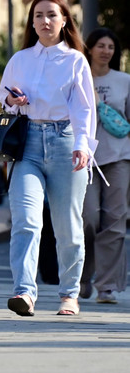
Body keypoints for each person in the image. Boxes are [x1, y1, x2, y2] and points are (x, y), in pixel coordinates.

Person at [0, 0, 97, 317]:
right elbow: (4, 100)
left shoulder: (75, 60)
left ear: (64, 19)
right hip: (26, 142)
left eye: (51, 15)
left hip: (65, 143)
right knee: (26, 221)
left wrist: (84, 146)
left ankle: (69, 294)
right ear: (32, 21)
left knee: (67, 225)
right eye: (38, 15)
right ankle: (24, 293)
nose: (45, 21)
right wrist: (12, 101)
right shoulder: (20, 59)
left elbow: (84, 109)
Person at [81, 27, 130, 304]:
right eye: (100, 45)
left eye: (110, 46)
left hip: (119, 158)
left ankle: (107, 286)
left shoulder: (124, 80)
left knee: (114, 221)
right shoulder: (79, 76)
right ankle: (83, 277)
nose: (105, 51)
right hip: (85, 159)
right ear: (89, 48)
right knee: (88, 218)